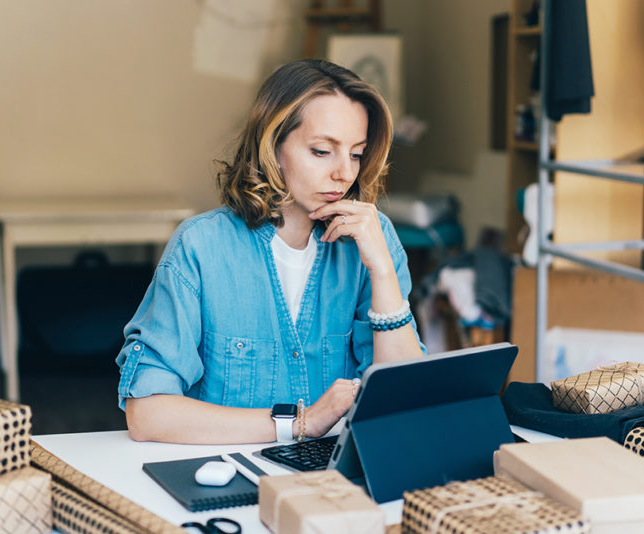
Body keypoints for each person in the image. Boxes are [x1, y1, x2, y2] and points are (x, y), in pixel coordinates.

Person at [116, 58, 426, 445]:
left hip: (333, 478)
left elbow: (408, 403)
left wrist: (381, 270)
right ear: (273, 146)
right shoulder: (201, 247)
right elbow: (147, 414)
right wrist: (298, 423)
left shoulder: (374, 242)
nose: (345, 173)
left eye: (356, 153)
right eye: (321, 151)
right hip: (225, 472)